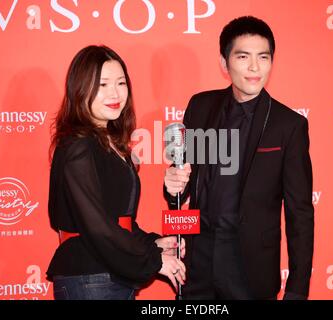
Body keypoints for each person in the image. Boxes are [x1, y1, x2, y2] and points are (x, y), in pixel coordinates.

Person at [164, 16, 314, 300]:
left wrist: (296, 292)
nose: (255, 67)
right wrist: (172, 185)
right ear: (224, 63)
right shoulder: (201, 107)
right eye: (243, 56)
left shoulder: (288, 125)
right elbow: (184, 182)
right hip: (198, 264)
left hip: (250, 271)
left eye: (263, 57)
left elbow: (300, 216)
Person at [47, 45, 185, 300]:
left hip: (107, 278)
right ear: (80, 88)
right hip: (90, 278)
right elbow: (97, 227)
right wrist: (154, 260)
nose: (115, 93)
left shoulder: (110, 142)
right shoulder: (78, 146)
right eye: (102, 85)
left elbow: (119, 221)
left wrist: (152, 243)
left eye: (121, 83)